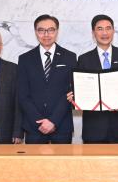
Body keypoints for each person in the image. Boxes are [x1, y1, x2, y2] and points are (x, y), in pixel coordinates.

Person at [69, 14, 118, 144]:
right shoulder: (84, 59)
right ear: (93, 33)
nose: (104, 33)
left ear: (113, 31)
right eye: (100, 29)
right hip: (93, 128)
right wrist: (74, 97)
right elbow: (79, 88)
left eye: (108, 28)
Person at [16, 14, 77, 144]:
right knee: (35, 164)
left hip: (61, 125)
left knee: (62, 164)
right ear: (35, 32)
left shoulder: (70, 57)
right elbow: (22, 95)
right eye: (41, 30)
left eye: (51, 30)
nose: (46, 34)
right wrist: (39, 121)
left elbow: (71, 92)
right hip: (34, 126)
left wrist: (53, 120)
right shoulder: (25, 59)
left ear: (57, 31)